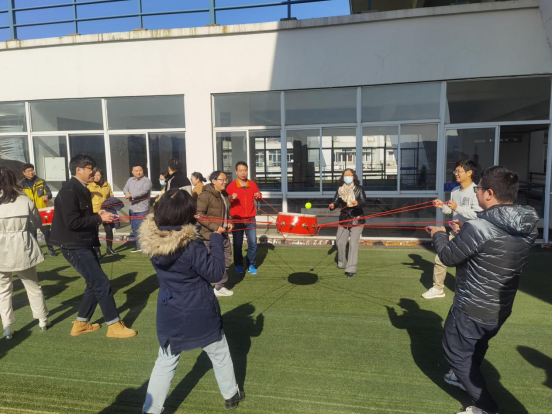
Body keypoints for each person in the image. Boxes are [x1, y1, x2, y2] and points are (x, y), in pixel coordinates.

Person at [428, 166, 538, 414]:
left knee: (456, 353)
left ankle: (485, 407)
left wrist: (439, 235)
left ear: (489, 193)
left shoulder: (478, 228)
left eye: (478, 188)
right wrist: (465, 233)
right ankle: (460, 378)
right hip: (500, 308)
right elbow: (493, 248)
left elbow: (448, 256)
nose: (476, 192)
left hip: (472, 307)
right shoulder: (527, 226)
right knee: (477, 344)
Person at [139, 189, 245, 413]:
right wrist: (216, 239)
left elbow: (178, 234)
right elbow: (215, 273)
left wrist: (198, 227)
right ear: (185, 216)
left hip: (170, 310)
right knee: (220, 353)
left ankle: (151, 409)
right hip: (199, 309)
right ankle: (231, 394)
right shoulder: (190, 246)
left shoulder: (152, 241)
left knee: (166, 361)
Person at [49, 154, 137, 339]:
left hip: (84, 243)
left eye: (93, 168)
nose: (94, 172)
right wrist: (98, 218)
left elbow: (80, 218)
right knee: (101, 283)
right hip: (74, 246)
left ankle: (81, 323)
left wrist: (98, 214)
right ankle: (114, 325)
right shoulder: (69, 191)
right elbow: (72, 222)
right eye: (90, 168)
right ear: (78, 169)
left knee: (93, 283)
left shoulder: (81, 188)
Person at [0, 169, 50, 340]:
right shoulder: (24, 199)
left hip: (2, 248)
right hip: (22, 246)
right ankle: (42, 319)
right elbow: (36, 222)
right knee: (33, 286)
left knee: (3, 290)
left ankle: (7, 325)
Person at [422, 160, 482, 299]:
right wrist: (442, 206)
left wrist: (457, 208)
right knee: (440, 257)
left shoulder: (476, 191)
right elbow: (450, 211)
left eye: (459, 171)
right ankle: (438, 288)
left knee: (467, 266)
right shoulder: (455, 190)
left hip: (470, 235)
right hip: (454, 233)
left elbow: (477, 214)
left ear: (469, 173)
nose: (456, 174)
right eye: (455, 171)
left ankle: (469, 291)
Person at [196, 171, 234, 297]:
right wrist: (215, 228)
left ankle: (218, 287)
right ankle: (206, 287)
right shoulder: (205, 196)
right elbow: (199, 216)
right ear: (213, 181)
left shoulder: (224, 194)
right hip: (209, 235)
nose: (225, 182)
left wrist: (229, 222)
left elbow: (227, 212)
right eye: (221, 180)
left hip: (223, 234)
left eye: (226, 179)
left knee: (226, 259)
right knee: (211, 262)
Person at [329, 169, 367, 278]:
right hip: (344, 218)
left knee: (353, 244)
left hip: (357, 218)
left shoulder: (359, 188)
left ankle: (351, 269)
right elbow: (336, 201)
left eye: (349, 175)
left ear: (353, 177)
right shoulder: (340, 189)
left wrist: (357, 203)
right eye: (345, 176)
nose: (347, 177)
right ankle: (342, 263)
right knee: (339, 242)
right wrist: (333, 205)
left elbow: (364, 201)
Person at [226, 162, 262, 275]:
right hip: (237, 219)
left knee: (253, 243)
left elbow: (258, 196)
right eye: (240, 170)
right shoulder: (231, 186)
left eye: (245, 170)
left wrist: (258, 196)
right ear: (236, 172)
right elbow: (226, 202)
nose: (243, 173)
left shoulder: (252, 184)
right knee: (237, 244)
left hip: (250, 219)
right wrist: (231, 198)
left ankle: (251, 264)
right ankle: (238, 265)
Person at [19, 163, 56, 257]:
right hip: (29, 212)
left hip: (42, 211)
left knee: (47, 231)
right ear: (24, 173)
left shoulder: (41, 181)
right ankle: (36, 251)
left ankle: (50, 249)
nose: (30, 172)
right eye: (28, 171)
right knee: (32, 233)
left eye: (32, 170)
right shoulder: (21, 184)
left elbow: (49, 193)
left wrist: (46, 196)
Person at [88, 168, 118, 257]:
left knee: (109, 230)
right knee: (95, 231)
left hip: (106, 210)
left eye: (98, 175)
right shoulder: (89, 186)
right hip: (95, 211)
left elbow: (111, 196)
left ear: (101, 176)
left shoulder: (107, 185)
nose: (96, 177)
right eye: (94, 175)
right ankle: (97, 250)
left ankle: (109, 248)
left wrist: (112, 206)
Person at [123, 165, 152, 253]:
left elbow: (144, 191)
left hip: (142, 209)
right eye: (136, 171)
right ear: (132, 172)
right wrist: (126, 193)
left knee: (142, 228)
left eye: (140, 170)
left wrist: (131, 195)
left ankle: (145, 246)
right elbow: (125, 188)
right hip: (132, 208)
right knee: (134, 228)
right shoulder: (130, 180)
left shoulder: (146, 181)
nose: (138, 172)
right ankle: (138, 245)